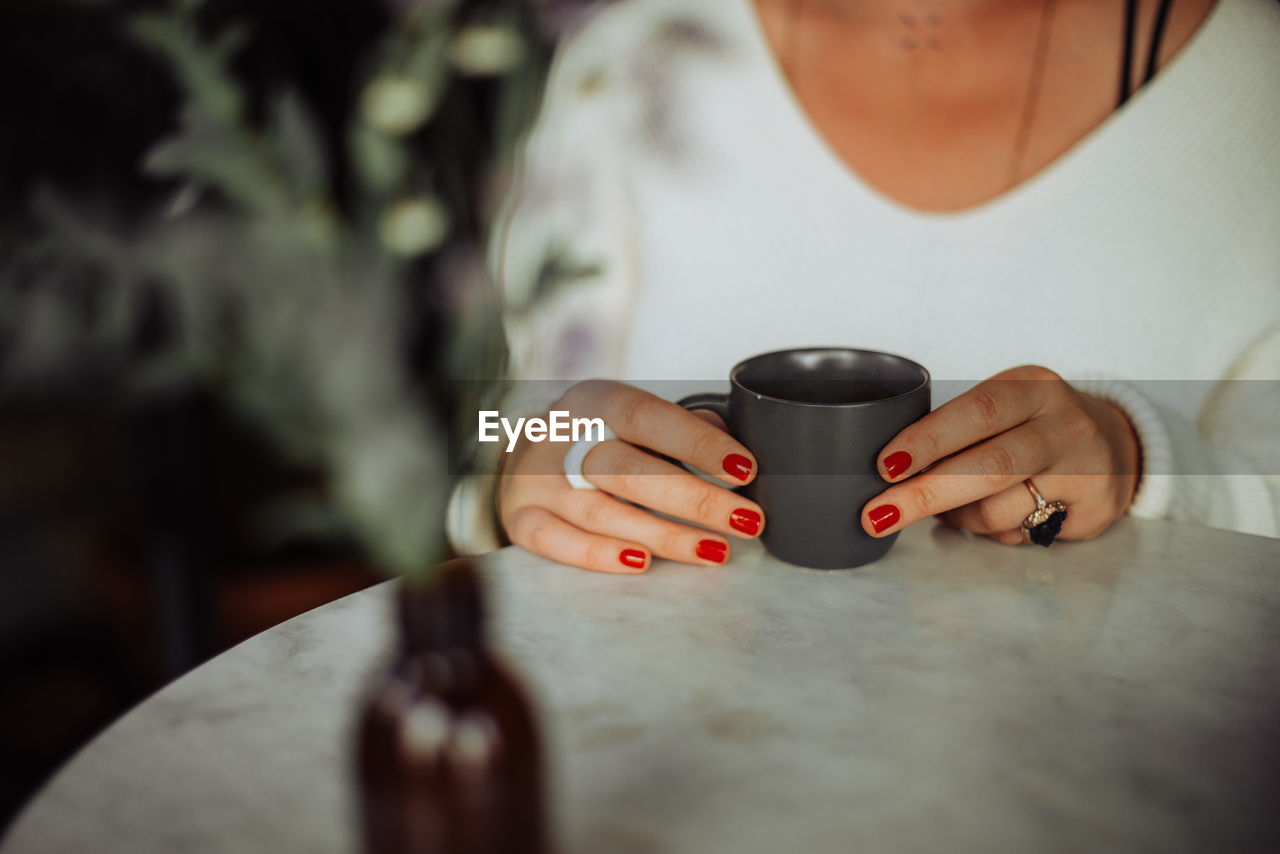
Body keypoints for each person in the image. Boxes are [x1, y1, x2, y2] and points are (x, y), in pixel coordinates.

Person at [448, 0, 1280, 573]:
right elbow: (497, 421)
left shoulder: (1252, 83)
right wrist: (520, 464)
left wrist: (1142, 460)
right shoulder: (635, 52)